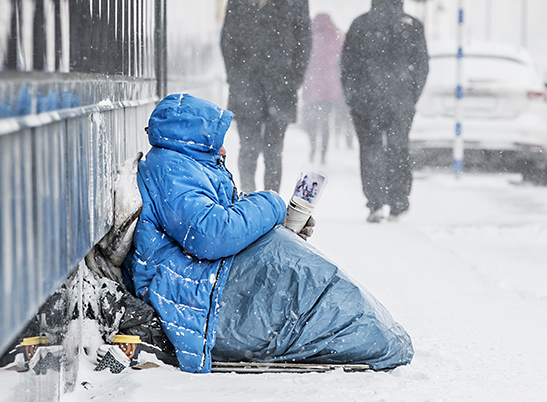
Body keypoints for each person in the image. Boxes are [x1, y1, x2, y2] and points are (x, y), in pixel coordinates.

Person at [123, 94, 413, 373]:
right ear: (191, 140)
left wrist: (278, 223)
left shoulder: (187, 165)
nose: (223, 150)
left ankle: (365, 332)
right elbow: (210, 235)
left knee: (300, 272)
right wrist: (272, 203)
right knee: (299, 278)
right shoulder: (171, 170)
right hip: (195, 287)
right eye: (215, 142)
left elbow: (225, 212)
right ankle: (367, 337)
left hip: (205, 274)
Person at [340, 0, 429, 223]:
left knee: (370, 149)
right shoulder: (412, 26)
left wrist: (352, 96)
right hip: (400, 99)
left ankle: (376, 203)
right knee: (398, 148)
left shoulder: (361, 24)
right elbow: (421, 67)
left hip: (365, 99)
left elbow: (347, 65)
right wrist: (410, 96)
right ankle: (398, 203)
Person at [220, 0, 312, 193]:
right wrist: (235, 76)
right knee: (250, 148)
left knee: (273, 151)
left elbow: (304, 41)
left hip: (279, 86)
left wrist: (294, 79)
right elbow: (227, 39)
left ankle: (270, 200)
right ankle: (248, 197)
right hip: (248, 84)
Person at [301, 12, 344, 165]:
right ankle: (323, 153)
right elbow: (343, 57)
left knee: (311, 121)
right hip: (329, 89)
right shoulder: (335, 38)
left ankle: (313, 146)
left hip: (312, 86)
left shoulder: (309, 38)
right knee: (325, 122)